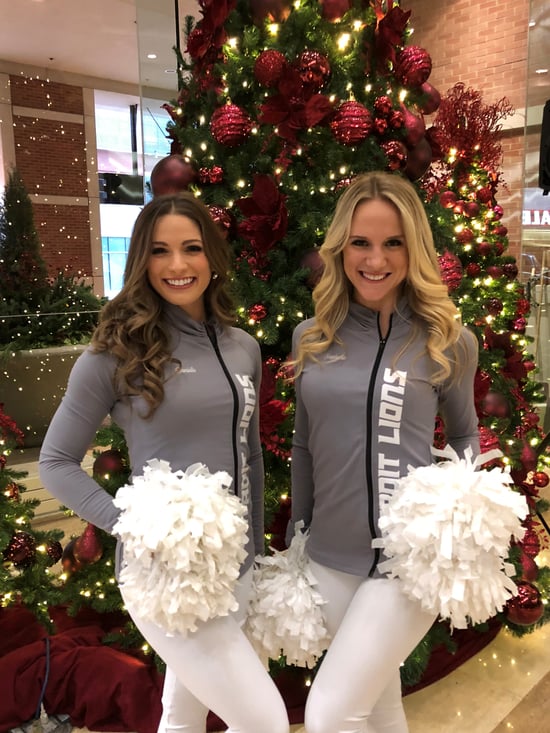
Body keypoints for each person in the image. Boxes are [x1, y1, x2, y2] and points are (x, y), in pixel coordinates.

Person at [39, 193, 289, 733]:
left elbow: (249, 456)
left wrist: (259, 552)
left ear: (213, 257)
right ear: (141, 262)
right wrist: (136, 529)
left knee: (182, 713)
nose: (177, 265)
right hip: (162, 574)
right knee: (265, 720)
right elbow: (55, 462)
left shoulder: (243, 346)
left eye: (192, 248)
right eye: (160, 251)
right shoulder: (112, 353)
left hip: (237, 565)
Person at [287, 171, 480, 733]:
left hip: (408, 563)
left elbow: (465, 436)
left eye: (392, 242)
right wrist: (301, 533)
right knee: (377, 703)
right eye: (361, 242)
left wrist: (453, 521)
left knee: (329, 713)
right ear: (340, 247)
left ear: (413, 247)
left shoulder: (447, 339)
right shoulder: (312, 337)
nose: (375, 259)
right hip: (329, 555)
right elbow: (303, 442)